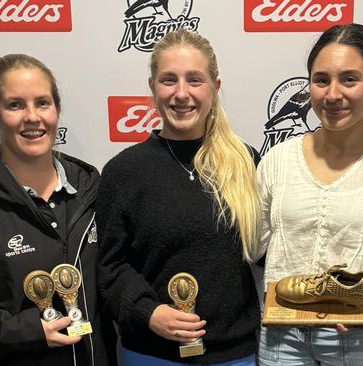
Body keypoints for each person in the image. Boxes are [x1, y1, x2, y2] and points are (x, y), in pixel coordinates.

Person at [255, 23, 363, 366]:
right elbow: (253, 245)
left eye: (349, 79)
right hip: (281, 338)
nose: (333, 94)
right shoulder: (277, 161)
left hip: (358, 340)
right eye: (321, 80)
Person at [96, 29, 261, 366]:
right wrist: (148, 311)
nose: (181, 93)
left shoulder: (246, 161)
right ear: (153, 88)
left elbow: (271, 250)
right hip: (150, 353)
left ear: (214, 88)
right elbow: (110, 266)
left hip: (233, 354)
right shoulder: (123, 171)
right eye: (169, 80)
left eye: (195, 80)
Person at [0, 54, 116, 366]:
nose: (32, 117)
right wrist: (27, 330)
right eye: (15, 105)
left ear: (56, 109)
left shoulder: (90, 187)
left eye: (43, 103)